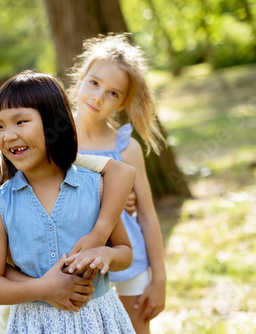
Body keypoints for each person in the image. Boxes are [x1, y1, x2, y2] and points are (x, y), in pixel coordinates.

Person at [0, 114, 137, 332]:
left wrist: (98, 234)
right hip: (29, 306)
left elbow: (121, 173)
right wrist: (46, 288)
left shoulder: (40, 156)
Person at [0, 71, 136, 333]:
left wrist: (106, 253)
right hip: (35, 324)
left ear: (53, 122)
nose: (8, 135)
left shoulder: (95, 187)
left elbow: (125, 253)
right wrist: (44, 288)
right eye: (0, 125)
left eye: (21, 121)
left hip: (99, 321)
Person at [69, 33, 167, 333]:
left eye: (113, 93)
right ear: (81, 77)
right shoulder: (55, 138)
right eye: (95, 83)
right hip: (75, 259)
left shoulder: (127, 148)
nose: (98, 97)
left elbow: (147, 215)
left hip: (129, 258)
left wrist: (159, 279)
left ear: (123, 101)